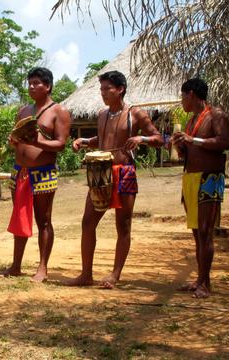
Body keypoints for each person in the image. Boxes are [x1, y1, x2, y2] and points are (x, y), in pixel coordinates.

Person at [67, 70, 163, 289]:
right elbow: (101, 140)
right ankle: (86, 274)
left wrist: (142, 138)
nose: (103, 93)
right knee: (88, 222)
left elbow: (159, 138)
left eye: (107, 88)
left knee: (124, 225)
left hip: (125, 172)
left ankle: (115, 275)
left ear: (120, 89)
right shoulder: (102, 114)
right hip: (101, 173)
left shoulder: (136, 114)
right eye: (101, 89)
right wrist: (83, 141)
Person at [2, 67, 71, 282]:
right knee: (20, 218)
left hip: (43, 172)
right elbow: (17, 137)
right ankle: (16, 265)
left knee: (44, 220)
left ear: (48, 86)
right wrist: (13, 141)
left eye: (36, 83)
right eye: (29, 83)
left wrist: (37, 142)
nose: (31, 87)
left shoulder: (59, 111)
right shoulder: (24, 111)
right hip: (20, 171)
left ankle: (42, 268)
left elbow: (60, 144)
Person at [172, 78, 229, 298]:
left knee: (206, 232)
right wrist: (181, 147)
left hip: (210, 178)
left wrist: (193, 140)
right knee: (197, 233)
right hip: (191, 178)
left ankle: (206, 284)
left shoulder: (217, 115)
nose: (182, 101)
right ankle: (200, 280)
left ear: (192, 94)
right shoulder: (192, 120)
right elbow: (189, 151)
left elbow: (224, 143)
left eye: (183, 96)